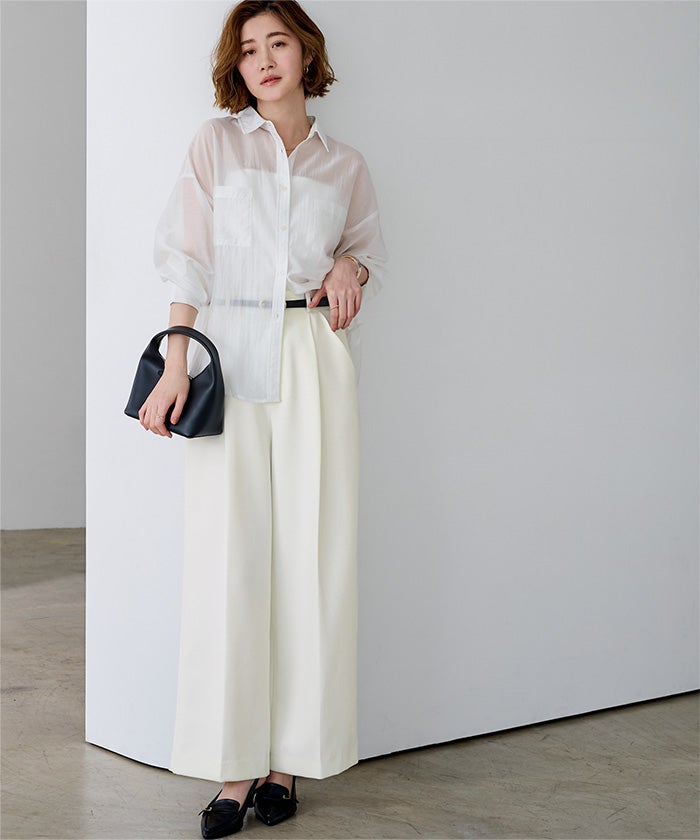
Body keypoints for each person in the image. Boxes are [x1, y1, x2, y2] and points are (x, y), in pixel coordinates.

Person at [140, 1, 388, 836]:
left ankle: (289, 762)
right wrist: (176, 359)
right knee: (231, 558)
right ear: (237, 68)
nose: (264, 59)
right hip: (231, 357)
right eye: (248, 50)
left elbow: (367, 249)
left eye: (278, 42)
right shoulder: (216, 144)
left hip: (314, 356)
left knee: (312, 557)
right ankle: (235, 769)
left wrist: (351, 265)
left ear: (305, 52)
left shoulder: (344, 163)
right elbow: (187, 256)